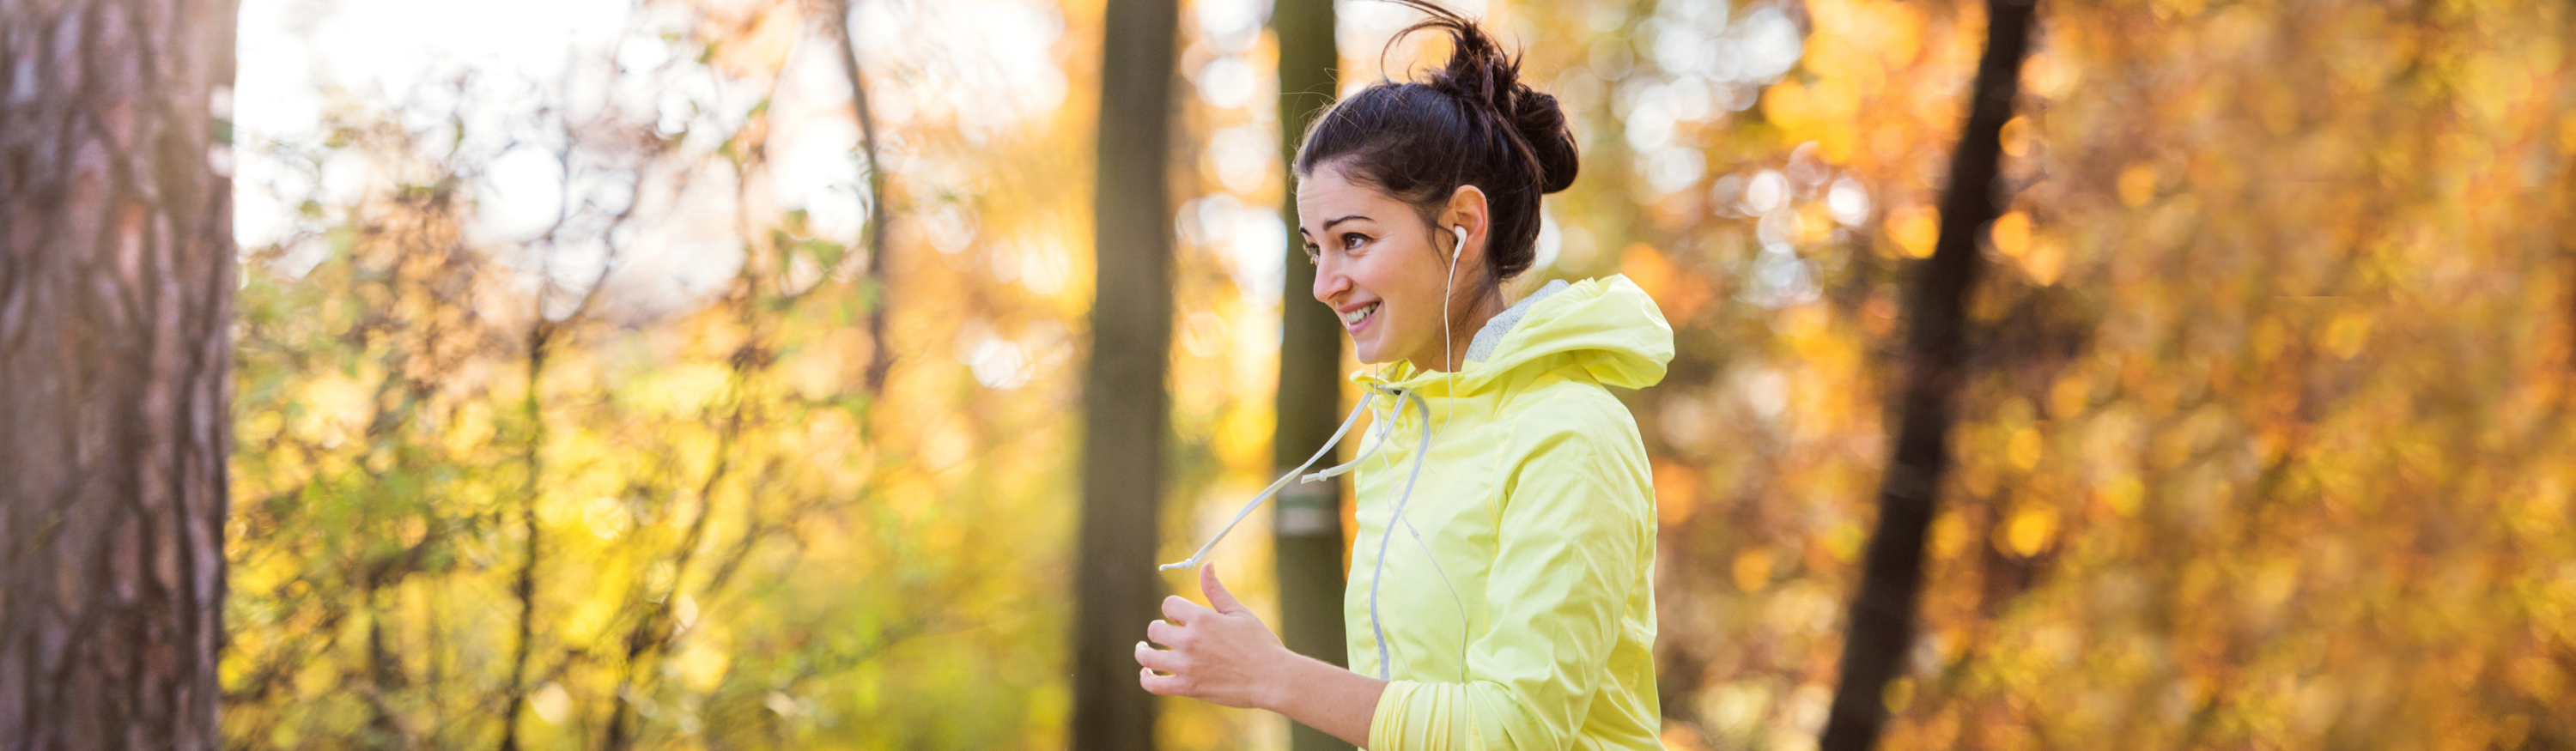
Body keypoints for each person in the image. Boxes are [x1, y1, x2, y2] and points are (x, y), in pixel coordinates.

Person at [1137, 1, 1673, 748]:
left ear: (1462, 225)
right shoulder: (1406, 434)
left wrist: (1276, 676)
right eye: (1314, 249)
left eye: (1353, 240)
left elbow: (1510, 730)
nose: (1326, 283)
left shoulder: (1569, 433)